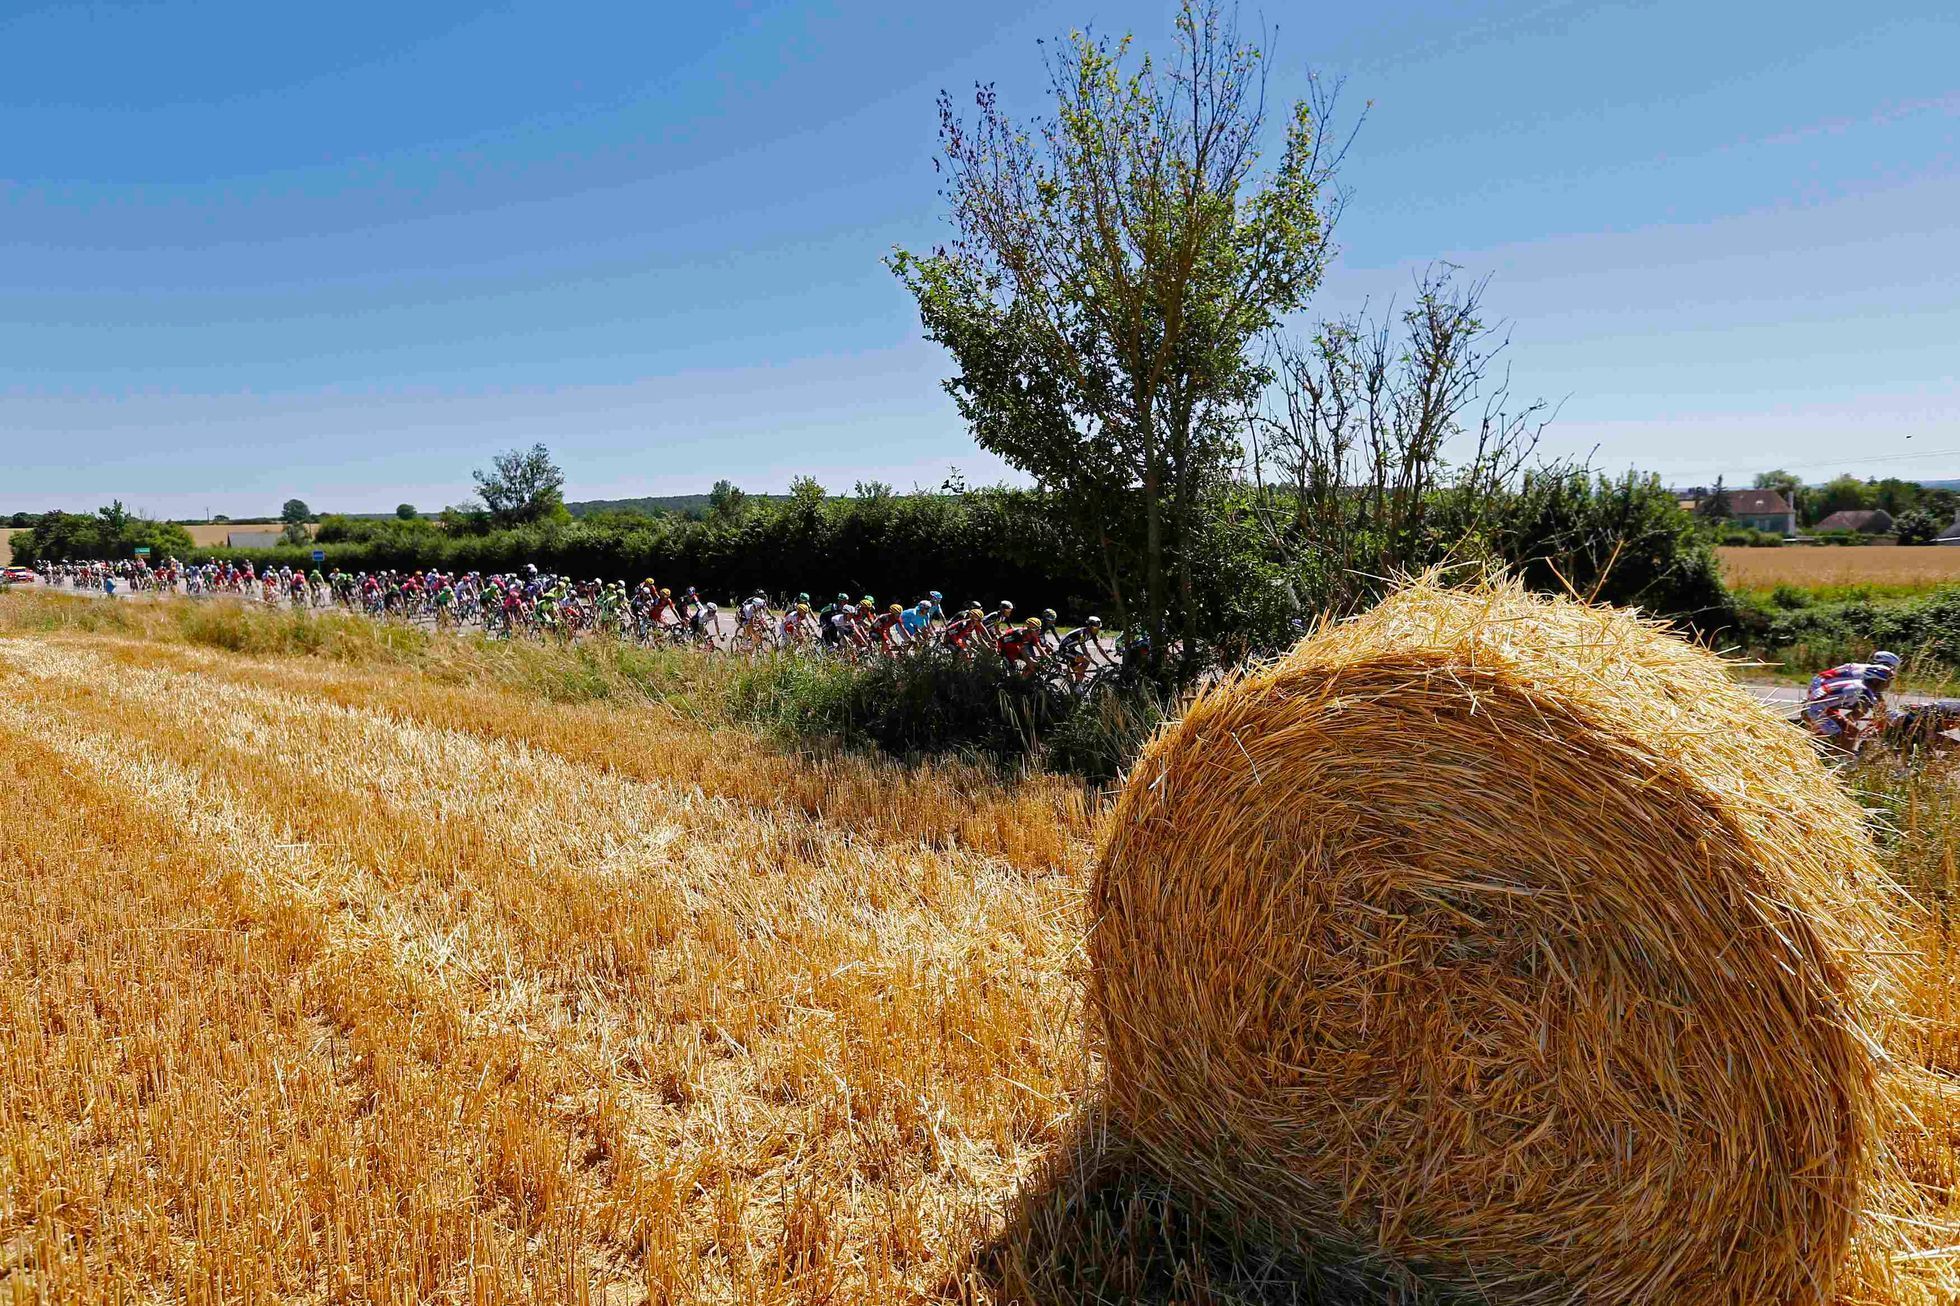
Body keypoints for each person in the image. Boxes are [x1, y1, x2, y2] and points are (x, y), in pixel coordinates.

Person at [1804, 675, 1881, 748]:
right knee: (1847, 733)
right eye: (1886, 682)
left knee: (1850, 730)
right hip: (1815, 709)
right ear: (1876, 681)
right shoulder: (1864, 692)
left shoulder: (1859, 684)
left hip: (1816, 705)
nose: (1887, 686)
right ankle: (1834, 758)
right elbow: (1858, 713)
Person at [1055, 616, 1112, 683]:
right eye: (1095, 629)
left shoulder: (1092, 634)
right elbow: (1085, 653)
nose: (1097, 631)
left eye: (1098, 629)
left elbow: (1100, 648)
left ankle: (1076, 684)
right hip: (1064, 650)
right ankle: (1069, 674)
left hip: (1071, 650)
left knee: (1081, 669)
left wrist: (1111, 661)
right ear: (1090, 627)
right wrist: (1097, 664)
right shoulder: (1081, 635)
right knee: (1086, 660)